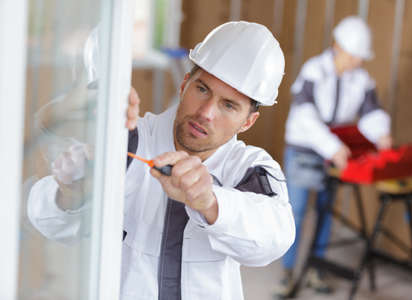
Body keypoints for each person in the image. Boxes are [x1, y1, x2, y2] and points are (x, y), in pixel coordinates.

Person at [27, 21, 295, 300]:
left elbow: (275, 240)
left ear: (248, 122)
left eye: (228, 105)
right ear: (183, 85)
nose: (206, 113)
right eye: (202, 89)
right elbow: (45, 220)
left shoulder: (249, 169)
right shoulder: (128, 140)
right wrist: (69, 193)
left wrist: (210, 202)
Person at [278, 16, 392, 295]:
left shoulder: (361, 80)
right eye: (352, 55)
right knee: (296, 211)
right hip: (305, 150)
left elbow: (371, 113)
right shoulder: (313, 71)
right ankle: (289, 272)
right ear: (337, 47)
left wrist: (381, 135)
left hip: (334, 153)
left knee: (326, 212)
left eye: (359, 57)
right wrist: (332, 147)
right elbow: (305, 115)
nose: (356, 62)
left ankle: (317, 269)